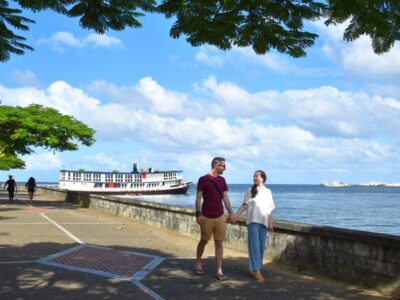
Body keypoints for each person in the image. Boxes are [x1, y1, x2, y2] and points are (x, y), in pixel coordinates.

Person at [195, 157, 236, 281]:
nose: (225, 168)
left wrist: (230, 212)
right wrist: (198, 214)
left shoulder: (222, 180)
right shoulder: (203, 179)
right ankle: (198, 262)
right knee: (204, 240)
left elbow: (225, 197)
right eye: (222, 166)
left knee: (219, 243)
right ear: (216, 165)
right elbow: (198, 198)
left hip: (220, 216)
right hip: (206, 216)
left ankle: (219, 269)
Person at [232, 170, 275, 282]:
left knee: (260, 247)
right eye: (254, 176)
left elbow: (270, 209)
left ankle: (253, 269)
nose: (254, 178)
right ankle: (257, 271)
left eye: (256, 176)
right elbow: (244, 205)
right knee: (254, 247)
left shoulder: (268, 192)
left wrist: (270, 223)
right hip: (253, 221)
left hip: (264, 222)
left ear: (262, 178)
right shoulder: (249, 190)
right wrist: (236, 214)